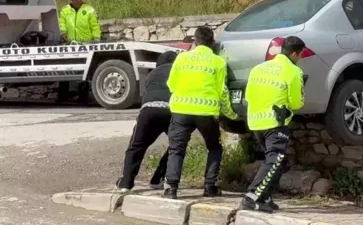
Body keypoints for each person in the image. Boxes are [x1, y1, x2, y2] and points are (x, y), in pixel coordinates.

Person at [163, 26, 238, 199]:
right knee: (214, 147)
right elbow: (223, 92)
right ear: (212, 43)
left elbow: (172, 84)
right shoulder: (218, 62)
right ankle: (210, 187)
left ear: (195, 41)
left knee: (176, 149)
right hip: (206, 113)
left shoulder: (182, 58)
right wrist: (231, 114)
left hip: (181, 110)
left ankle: (171, 189)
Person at [241, 36, 305, 213]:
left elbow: (248, 96)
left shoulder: (258, 68)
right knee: (275, 159)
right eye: (300, 55)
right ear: (294, 53)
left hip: (255, 121)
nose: (299, 58)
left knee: (276, 161)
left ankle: (265, 197)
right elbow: (296, 103)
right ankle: (252, 196)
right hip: (275, 122)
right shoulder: (293, 71)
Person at [115, 51, 178, 192]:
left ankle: (126, 183)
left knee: (136, 146)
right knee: (176, 146)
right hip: (171, 111)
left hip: (148, 111)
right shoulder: (179, 72)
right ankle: (158, 178)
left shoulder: (151, 75)